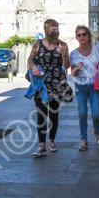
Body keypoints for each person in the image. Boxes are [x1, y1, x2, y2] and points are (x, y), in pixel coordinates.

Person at [27, 18, 72, 157]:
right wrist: (33, 67)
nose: (56, 32)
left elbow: (67, 65)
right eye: (53, 30)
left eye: (57, 29)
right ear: (46, 30)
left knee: (54, 114)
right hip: (41, 83)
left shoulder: (62, 44)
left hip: (57, 83)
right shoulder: (38, 44)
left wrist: (63, 53)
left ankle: (51, 141)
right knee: (41, 113)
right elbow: (30, 59)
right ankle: (41, 146)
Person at [70, 25, 99, 151]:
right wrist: (77, 68)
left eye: (84, 34)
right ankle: (83, 139)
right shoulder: (74, 54)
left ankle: (96, 131)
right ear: (76, 37)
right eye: (79, 35)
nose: (81, 37)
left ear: (88, 36)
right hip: (80, 86)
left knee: (96, 114)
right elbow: (72, 73)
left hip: (95, 86)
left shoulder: (97, 49)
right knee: (82, 113)